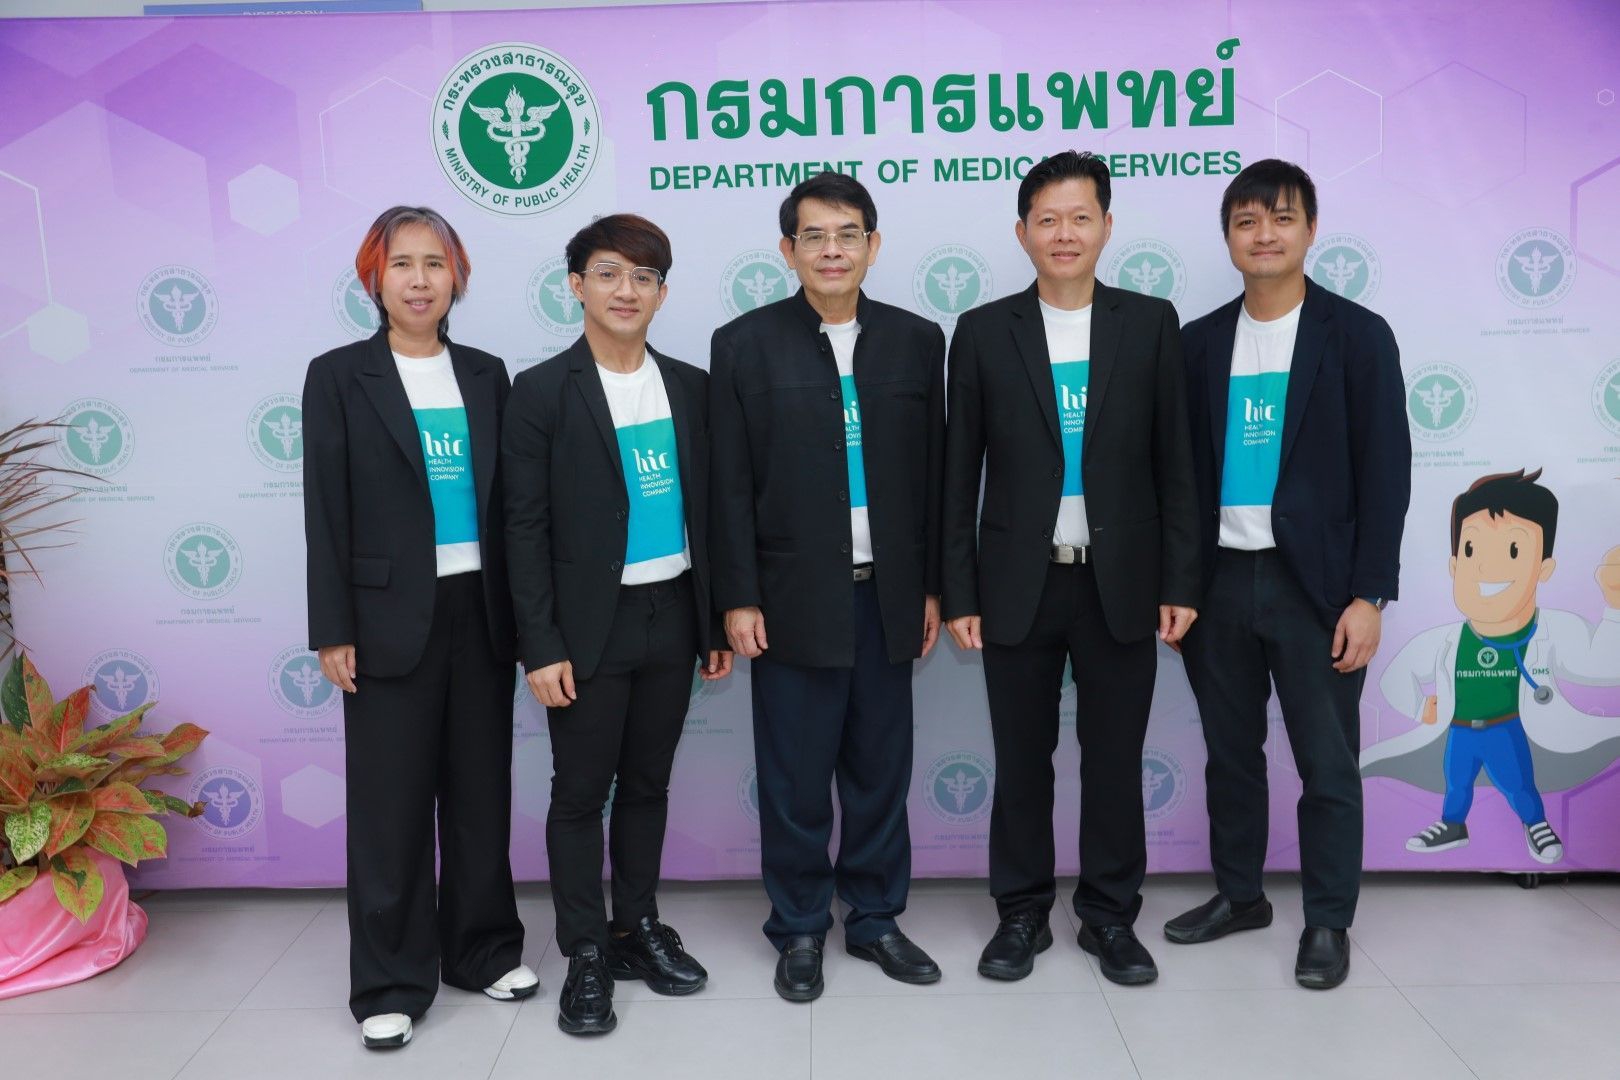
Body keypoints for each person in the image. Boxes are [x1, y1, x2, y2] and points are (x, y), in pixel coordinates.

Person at [942, 150, 1200, 987]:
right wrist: (961, 590)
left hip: (1121, 583)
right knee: (1021, 761)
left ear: (1107, 226)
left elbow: (1178, 467)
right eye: (1047, 219)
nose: (1064, 233)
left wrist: (1180, 583)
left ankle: (1109, 917)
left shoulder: (1150, 322)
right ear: (1021, 232)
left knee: (1114, 759)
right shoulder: (982, 332)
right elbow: (959, 474)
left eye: (1080, 217)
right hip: (1020, 582)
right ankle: (1020, 913)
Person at [1167, 159, 1410, 990]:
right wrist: (1178, 583)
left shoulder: (1357, 336)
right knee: (1230, 757)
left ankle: (1328, 921)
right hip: (1221, 584)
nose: (1263, 234)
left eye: (1280, 218)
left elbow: (1387, 474)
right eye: (1246, 220)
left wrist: (1369, 595)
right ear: (1228, 235)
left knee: (1327, 764)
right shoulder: (1198, 343)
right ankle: (1240, 897)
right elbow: (1179, 477)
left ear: (1310, 229)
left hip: (1319, 591)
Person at [709, 171, 946, 1001]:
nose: (833, 249)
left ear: (874, 246)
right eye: (815, 236)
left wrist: (932, 588)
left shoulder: (918, 341)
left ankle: (876, 919)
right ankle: (801, 927)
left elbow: (936, 481)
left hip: (888, 594)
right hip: (789, 600)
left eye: (849, 234)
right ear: (789, 250)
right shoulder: (743, 345)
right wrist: (737, 595)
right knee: (797, 777)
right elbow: (727, 485)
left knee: (880, 769)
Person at [302, 205, 534, 1050]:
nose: (420, 279)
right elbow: (324, 510)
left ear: (457, 277)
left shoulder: (485, 372)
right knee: (391, 809)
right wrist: (333, 626)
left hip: (480, 612)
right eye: (403, 263)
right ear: (376, 277)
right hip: (385, 620)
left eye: (435, 263)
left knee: (480, 796)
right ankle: (391, 981)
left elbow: (511, 505)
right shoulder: (338, 376)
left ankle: (481, 950)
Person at [503, 214, 731, 1036]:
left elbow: (712, 515)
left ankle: (637, 929)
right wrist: (541, 644)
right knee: (579, 795)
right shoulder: (539, 393)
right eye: (608, 273)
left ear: (662, 292)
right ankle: (586, 951)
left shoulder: (693, 387)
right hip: (585, 629)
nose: (625, 290)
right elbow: (521, 530)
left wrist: (710, 622)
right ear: (576, 285)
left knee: (647, 786)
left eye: (643, 277)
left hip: (672, 613)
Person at [1364, 469, 1620, 862]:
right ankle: (1453, 825)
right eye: (1471, 550)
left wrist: (1614, 608)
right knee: (1457, 782)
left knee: (1519, 784)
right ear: (1454, 564)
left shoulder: (1553, 630)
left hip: (1507, 728)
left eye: (1514, 550)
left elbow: (1604, 663)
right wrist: (1419, 707)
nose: (1487, 568)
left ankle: (1536, 824)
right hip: (1461, 731)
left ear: (1544, 568)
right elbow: (1398, 675)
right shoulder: (1447, 640)